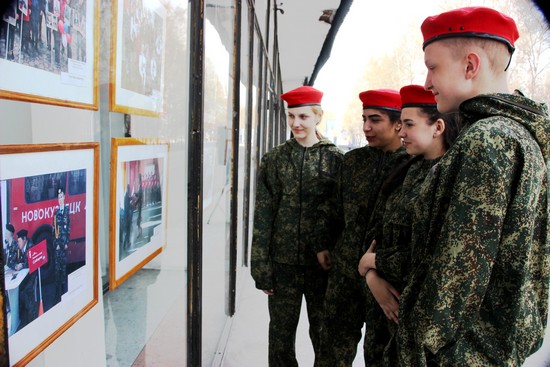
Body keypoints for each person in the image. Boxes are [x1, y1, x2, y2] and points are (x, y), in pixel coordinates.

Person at [397, 7, 549, 366]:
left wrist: (419, 347)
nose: (427, 82)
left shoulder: (487, 139)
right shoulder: (516, 135)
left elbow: (455, 278)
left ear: (470, 66)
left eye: (432, 67)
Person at [357, 85, 461, 365]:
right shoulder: (407, 169)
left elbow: (432, 255)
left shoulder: (451, 178)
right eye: (401, 124)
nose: (401, 131)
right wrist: (371, 277)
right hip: (381, 313)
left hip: (414, 317)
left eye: (409, 124)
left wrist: (373, 262)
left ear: (438, 126)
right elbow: (375, 230)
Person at [251, 85, 343, 366]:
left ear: (318, 117)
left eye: (303, 117)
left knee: (322, 333)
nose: (296, 123)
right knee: (280, 336)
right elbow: (263, 214)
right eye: (291, 116)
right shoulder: (274, 160)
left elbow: (341, 216)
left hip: (321, 265)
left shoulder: (335, 159)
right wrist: (261, 266)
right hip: (283, 264)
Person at [318, 89, 409, 366]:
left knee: (379, 354)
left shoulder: (412, 166)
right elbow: (334, 208)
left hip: (385, 279)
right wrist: (323, 243)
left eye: (375, 120)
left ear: (397, 124)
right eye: (364, 119)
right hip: (345, 273)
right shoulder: (353, 161)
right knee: (331, 350)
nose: (366, 127)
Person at [52, 187, 70, 303]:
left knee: (64, 269)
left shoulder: (67, 211)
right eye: (58, 197)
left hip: (64, 245)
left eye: (61, 197)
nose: (60, 199)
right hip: (58, 246)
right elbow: (53, 230)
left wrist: (67, 242)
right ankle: (57, 297)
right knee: (56, 270)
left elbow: (68, 227)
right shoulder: (56, 212)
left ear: (64, 197)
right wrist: (55, 244)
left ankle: (65, 295)